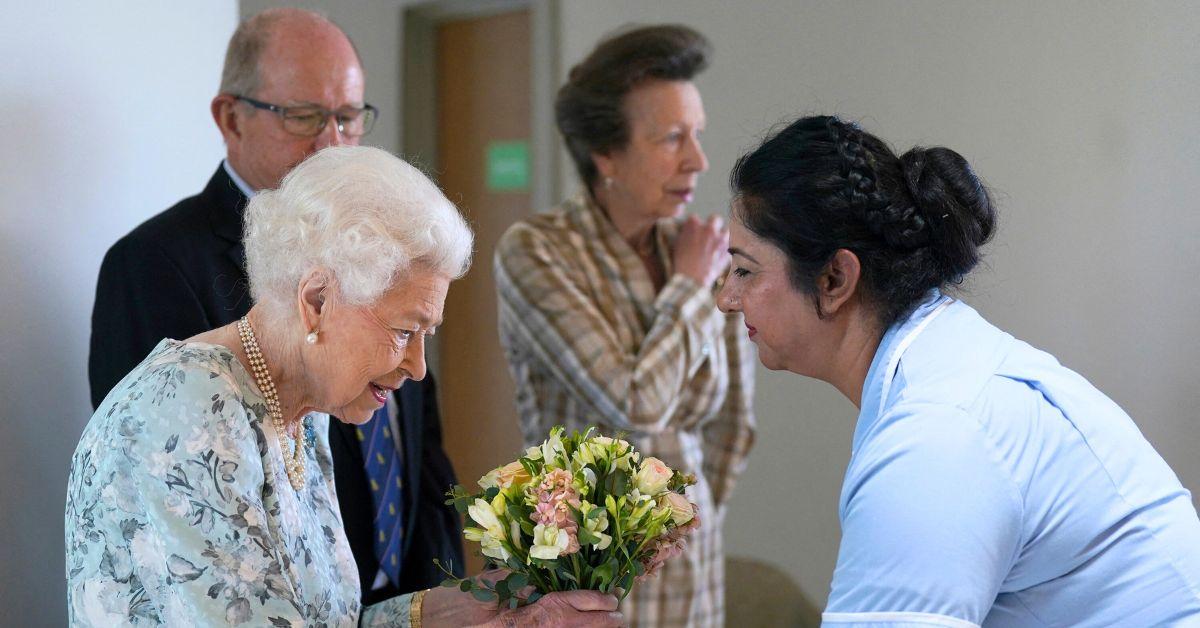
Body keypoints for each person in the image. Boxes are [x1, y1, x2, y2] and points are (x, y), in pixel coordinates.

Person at [67, 146, 623, 627]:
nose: (417, 367)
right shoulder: (189, 415)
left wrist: (440, 615)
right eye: (405, 330)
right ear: (316, 301)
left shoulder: (299, 409)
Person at [717, 115, 1200, 625]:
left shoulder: (938, 434)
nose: (726, 297)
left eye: (745, 270)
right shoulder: (952, 373)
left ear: (835, 277)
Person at [86, 9, 462, 602]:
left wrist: (439, 605)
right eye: (305, 116)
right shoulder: (159, 282)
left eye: (347, 117)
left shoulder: (305, 398)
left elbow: (419, 446)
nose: (332, 141)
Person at [494, 25, 755, 627]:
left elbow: (735, 423)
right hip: (584, 572)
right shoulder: (537, 251)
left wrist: (683, 519)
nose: (698, 160)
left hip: (695, 567)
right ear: (604, 154)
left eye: (696, 134)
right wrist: (690, 288)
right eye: (670, 138)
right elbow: (635, 403)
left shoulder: (700, 246)